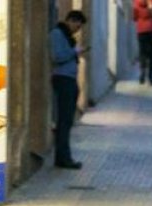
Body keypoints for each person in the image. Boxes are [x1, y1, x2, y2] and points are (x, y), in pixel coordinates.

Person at [50, 10, 87, 170]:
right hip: (63, 79)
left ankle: (62, 157)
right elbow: (57, 57)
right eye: (76, 26)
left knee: (66, 121)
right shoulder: (57, 34)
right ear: (70, 21)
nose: (76, 30)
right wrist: (75, 51)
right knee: (64, 121)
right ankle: (64, 158)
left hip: (69, 79)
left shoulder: (65, 35)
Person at [134, 0, 152, 86]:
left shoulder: (137, 2)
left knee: (142, 53)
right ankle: (151, 78)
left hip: (141, 29)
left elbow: (135, 16)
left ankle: (142, 73)